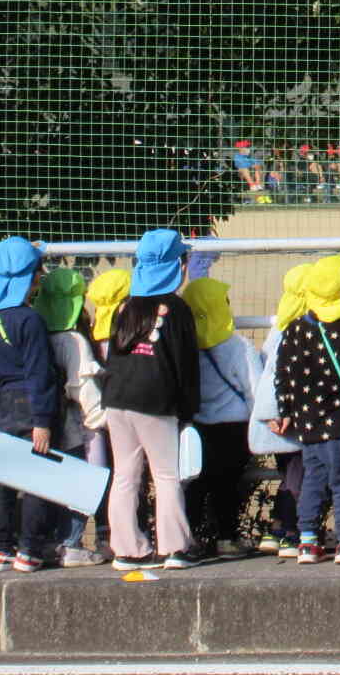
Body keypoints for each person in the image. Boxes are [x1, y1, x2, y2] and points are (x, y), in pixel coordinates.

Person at [272, 255, 340, 566]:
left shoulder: (295, 330)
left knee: (313, 482)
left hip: (307, 425)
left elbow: (283, 374)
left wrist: (286, 409)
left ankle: (307, 542)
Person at [101, 228, 200, 571]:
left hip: (116, 400)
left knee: (125, 476)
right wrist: (188, 410)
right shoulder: (176, 309)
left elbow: (113, 357)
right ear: (176, 266)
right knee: (167, 475)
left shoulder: (125, 307)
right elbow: (186, 366)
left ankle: (127, 549)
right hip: (156, 402)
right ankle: (174, 547)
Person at [0, 238, 62, 572]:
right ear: (29, 277)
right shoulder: (30, 320)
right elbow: (40, 372)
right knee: (37, 475)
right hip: (32, 403)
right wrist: (43, 420)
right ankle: (29, 549)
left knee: (4, 476)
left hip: (6, 405)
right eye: (38, 271)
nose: (40, 277)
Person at [33, 266, 106, 566]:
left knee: (48, 482)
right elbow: (82, 387)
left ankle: (48, 541)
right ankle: (70, 542)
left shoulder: (36, 331)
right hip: (73, 424)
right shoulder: (72, 340)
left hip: (41, 421)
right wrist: (103, 420)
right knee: (78, 480)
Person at [183, 278, 257, 558]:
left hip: (198, 426)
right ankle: (227, 538)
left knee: (196, 484)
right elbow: (253, 387)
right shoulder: (237, 346)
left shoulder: (185, 345)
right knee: (227, 485)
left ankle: (188, 538)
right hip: (234, 427)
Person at [247, 264, 310, 556]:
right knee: (298, 475)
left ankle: (276, 529)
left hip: (274, 415)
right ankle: (290, 532)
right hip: (291, 415)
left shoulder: (280, 323)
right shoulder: (301, 328)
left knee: (288, 474)